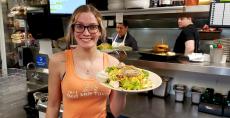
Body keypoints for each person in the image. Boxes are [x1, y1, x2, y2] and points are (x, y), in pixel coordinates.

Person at [46, 5, 126, 118]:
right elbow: (53, 106)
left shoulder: (113, 64)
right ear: (73, 30)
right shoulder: (57, 61)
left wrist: (122, 86)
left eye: (92, 27)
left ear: (99, 31)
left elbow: (116, 112)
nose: (86, 33)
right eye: (79, 26)